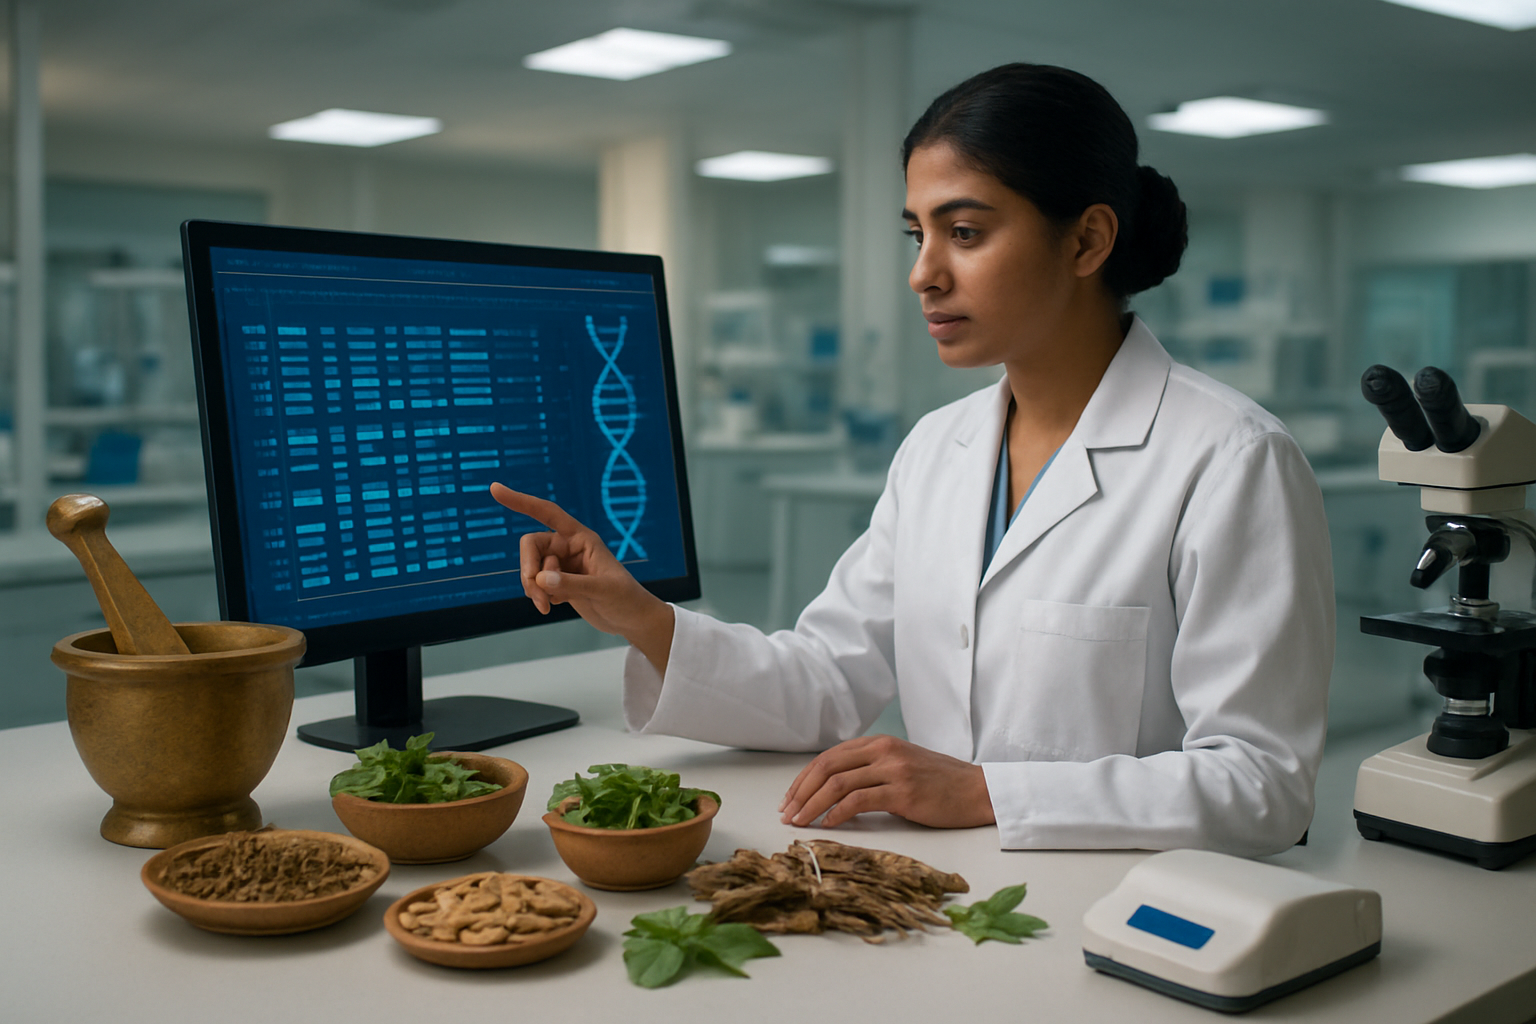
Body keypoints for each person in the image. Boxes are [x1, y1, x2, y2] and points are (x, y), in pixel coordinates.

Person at [491, 63, 1334, 857]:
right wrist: (642, 615)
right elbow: (827, 680)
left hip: (1120, 923)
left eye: (964, 232)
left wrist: (989, 793)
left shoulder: (1229, 458)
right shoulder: (940, 448)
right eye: (917, 234)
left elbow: (1263, 784)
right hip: (942, 898)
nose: (923, 274)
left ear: (1086, 242)